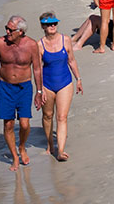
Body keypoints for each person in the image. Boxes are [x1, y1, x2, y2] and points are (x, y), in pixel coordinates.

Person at [0, 15, 43, 171]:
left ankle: (22, 147)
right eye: (6, 28)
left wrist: (39, 91)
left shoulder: (31, 45)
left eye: (10, 30)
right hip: (5, 87)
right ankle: (14, 156)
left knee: (24, 124)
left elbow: (37, 69)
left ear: (21, 31)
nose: (7, 32)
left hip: (24, 88)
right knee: (9, 124)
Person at [37, 12, 82, 161]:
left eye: (54, 23)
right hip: (47, 85)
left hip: (65, 83)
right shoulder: (39, 45)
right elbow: (38, 69)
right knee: (47, 115)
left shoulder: (66, 40)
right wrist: (40, 88)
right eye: (49, 24)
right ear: (43, 26)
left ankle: (61, 151)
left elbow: (71, 60)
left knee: (61, 117)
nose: (52, 26)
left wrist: (78, 79)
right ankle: (50, 145)